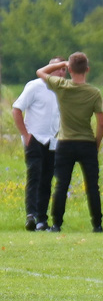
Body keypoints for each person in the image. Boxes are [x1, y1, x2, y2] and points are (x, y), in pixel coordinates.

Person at [36, 52, 103, 233]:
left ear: (69, 69)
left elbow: (40, 72)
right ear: (87, 70)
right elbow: (101, 123)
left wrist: (63, 63)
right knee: (92, 186)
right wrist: (95, 144)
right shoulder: (94, 93)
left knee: (61, 184)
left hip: (65, 143)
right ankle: (97, 224)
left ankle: (57, 224)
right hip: (87, 142)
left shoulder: (62, 86)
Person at [12, 56, 66, 231]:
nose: (61, 72)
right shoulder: (34, 86)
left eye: (63, 69)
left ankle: (42, 220)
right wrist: (26, 135)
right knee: (34, 175)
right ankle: (31, 215)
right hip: (34, 138)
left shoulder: (62, 90)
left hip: (52, 140)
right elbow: (17, 108)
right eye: (57, 68)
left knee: (47, 179)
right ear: (49, 69)